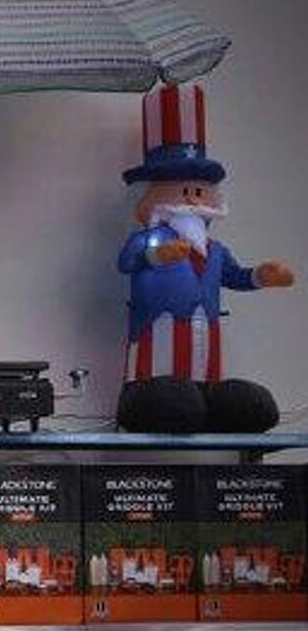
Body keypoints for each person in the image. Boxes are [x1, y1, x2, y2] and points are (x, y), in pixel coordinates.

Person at [115, 85, 295, 433]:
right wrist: (157, 255)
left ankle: (210, 402)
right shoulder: (148, 238)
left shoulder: (215, 250)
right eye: (186, 192)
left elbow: (235, 276)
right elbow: (127, 262)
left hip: (205, 343)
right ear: (154, 197)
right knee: (165, 392)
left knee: (227, 397)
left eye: (199, 192)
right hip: (156, 342)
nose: (193, 201)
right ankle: (148, 400)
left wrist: (261, 275)